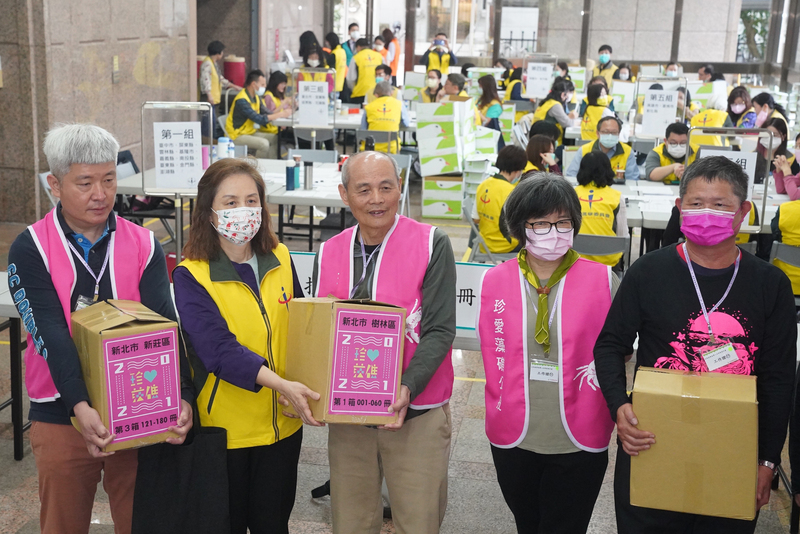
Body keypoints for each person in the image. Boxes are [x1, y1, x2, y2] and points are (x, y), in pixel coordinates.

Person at [7, 123, 195, 534]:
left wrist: (181, 395)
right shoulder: (31, 246)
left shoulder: (143, 243)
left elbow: (166, 325)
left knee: (141, 519)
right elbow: (50, 333)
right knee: (63, 522)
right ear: (54, 184)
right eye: (85, 182)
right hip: (61, 410)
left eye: (109, 179)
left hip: (138, 407)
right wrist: (79, 406)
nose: (100, 194)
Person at [595, 156, 796, 533]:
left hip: (732, 450)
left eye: (720, 205)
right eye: (696, 203)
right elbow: (609, 345)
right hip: (653, 443)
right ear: (679, 208)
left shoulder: (770, 286)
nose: (706, 213)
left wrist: (767, 461)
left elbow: (779, 379)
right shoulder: (648, 272)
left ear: (743, 212)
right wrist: (619, 406)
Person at [174, 158, 323, 534]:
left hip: (283, 429)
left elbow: (303, 332)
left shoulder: (282, 258)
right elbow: (218, 351)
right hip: (228, 433)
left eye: (251, 200)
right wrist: (280, 384)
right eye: (230, 202)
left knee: (274, 524)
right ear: (208, 213)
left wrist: (301, 384)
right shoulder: (191, 275)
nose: (243, 211)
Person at [313, 151, 456, 534]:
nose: (377, 199)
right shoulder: (329, 251)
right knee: (351, 521)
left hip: (415, 415)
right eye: (364, 189)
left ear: (400, 189)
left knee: (418, 520)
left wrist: (407, 386)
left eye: (386, 187)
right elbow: (315, 329)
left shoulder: (431, 243)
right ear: (345, 195)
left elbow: (440, 329)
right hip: (349, 419)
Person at [478, 174, 617, 534]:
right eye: (541, 223)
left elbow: (619, 355)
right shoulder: (494, 280)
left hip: (579, 431)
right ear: (520, 227)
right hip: (514, 430)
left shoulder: (603, 280)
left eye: (563, 222)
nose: (553, 231)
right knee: (528, 522)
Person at [575, 152, 629, 267]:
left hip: (575, 259)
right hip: (608, 262)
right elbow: (622, 236)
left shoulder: (571, 194)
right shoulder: (616, 197)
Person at [471, 145, 528, 253]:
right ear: (517, 170)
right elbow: (518, 228)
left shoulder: (483, 185)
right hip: (505, 245)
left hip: (484, 243)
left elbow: (476, 219)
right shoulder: (511, 191)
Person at [225, 70, 291, 159]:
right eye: (263, 85)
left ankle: (273, 164)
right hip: (236, 135)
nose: (265, 87)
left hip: (249, 132)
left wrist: (282, 114)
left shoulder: (255, 97)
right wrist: (280, 114)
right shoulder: (242, 100)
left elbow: (266, 112)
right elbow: (258, 119)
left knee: (275, 138)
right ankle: (258, 168)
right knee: (264, 144)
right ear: (253, 84)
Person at [566, 116, 639, 180]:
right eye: (606, 132)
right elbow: (571, 175)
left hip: (617, 192)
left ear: (619, 134)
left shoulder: (627, 151)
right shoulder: (584, 150)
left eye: (614, 132)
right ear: (598, 133)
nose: (610, 135)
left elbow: (632, 179)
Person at [200, 40, 242, 138]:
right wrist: (209, 95)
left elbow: (220, 79)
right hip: (208, 99)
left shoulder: (213, 64)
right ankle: (206, 143)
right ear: (218, 53)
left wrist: (233, 86)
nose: (222, 54)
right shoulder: (207, 64)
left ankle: (209, 142)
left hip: (212, 99)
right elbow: (205, 80)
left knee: (212, 123)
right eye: (222, 52)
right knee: (208, 124)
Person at [362, 81, 410, 153]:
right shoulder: (399, 104)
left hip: (371, 149)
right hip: (391, 149)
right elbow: (406, 123)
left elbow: (363, 129)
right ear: (392, 93)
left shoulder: (369, 107)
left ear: (376, 95)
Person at [531, 79, 575, 144]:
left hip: (538, 141)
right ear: (563, 94)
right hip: (549, 142)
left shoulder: (547, 102)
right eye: (570, 93)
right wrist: (572, 118)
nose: (571, 96)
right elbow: (568, 124)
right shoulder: (555, 106)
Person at [346, 38, 383, 105]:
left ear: (358, 47)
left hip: (360, 94)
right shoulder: (379, 56)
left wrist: (353, 89)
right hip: (377, 94)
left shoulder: (356, 58)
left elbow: (350, 79)